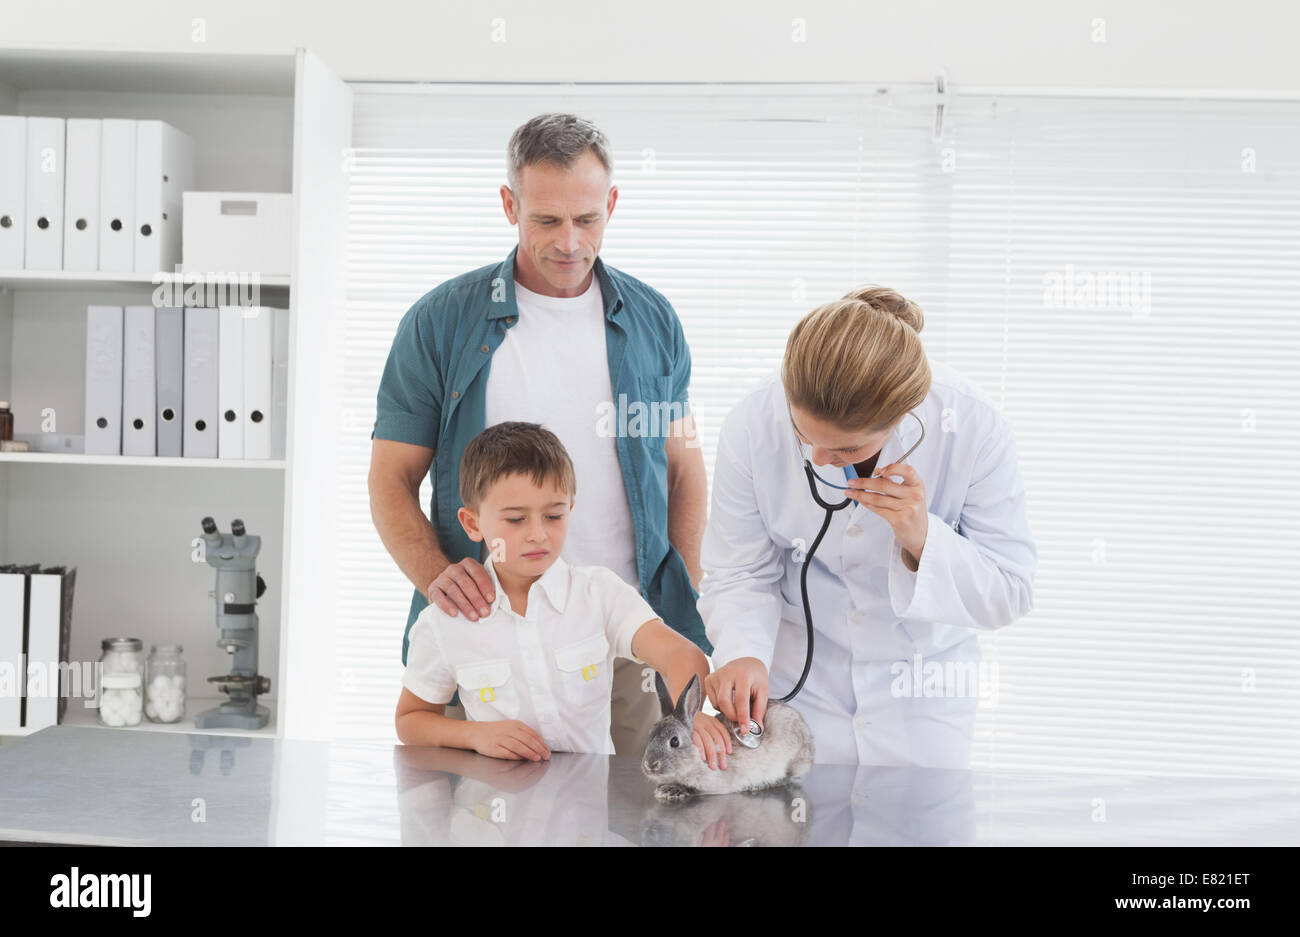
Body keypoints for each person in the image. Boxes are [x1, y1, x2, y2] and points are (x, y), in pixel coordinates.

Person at [369, 113, 710, 755]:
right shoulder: (440, 322)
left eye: (587, 220)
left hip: (630, 631)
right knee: (491, 814)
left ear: (611, 204)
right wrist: (434, 572)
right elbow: (390, 477)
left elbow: (686, 468)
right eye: (546, 221)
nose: (570, 243)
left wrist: (679, 591)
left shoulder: (654, 321)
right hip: (492, 634)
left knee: (641, 814)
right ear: (509, 205)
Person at [699, 286, 1037, 768]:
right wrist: (742, 652)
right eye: (803, 437)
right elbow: (739, 571)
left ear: (904, 417)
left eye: (846, 451)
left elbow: (1010, 591)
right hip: (799, 686)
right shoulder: (752, 422)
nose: (819, 460)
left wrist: (920, 537)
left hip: (921, 695)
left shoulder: (974, 426)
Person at [395, 422, 730, 764]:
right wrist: (474, 735)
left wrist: (690, 716)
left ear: (569, 508)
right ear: (473, 524)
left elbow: (681, 655)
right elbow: (410, 720)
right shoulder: (444, 621)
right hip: (490, 810)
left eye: (553, 515)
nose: (538, 534)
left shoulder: (600, 594)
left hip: (587, 811)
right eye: (515, 520)